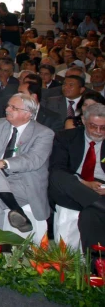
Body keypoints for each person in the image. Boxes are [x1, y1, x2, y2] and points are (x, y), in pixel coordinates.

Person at [0, 94, 54, 232]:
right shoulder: (0, 123)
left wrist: (2, 163)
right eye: (8, 106)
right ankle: (16, 211)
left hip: (24, 181)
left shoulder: (44, 133)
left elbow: (33, 160)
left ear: (27, 114)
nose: (7, 110)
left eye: (13, 107)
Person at [48, 103, 105, 269]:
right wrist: (84, 183)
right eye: (94, 126)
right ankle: (100, 205)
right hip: (73, 189)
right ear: (83, 121)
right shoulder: (65, 137)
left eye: (103, 128)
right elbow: (57, 168)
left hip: (101, 192)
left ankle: (96, 269)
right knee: (58, 177)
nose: (98, 132)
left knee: (89, 215)